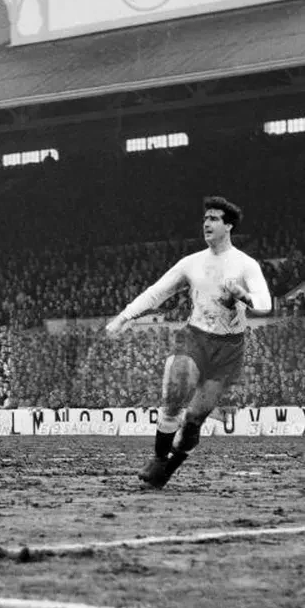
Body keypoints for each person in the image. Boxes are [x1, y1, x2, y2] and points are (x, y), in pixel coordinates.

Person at [105, 196, 271, 489]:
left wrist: (242, 296)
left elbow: (265, 304)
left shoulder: (246, 265)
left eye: (214, 218)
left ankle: (168, 468)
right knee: (174, 394)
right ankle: (158, 458)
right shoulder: (191, 263)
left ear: (228, 226)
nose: (206, 223)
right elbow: (156, 292)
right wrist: (124, 317)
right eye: (205, 218)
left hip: (229, 349)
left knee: (193, 421)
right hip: (195, 338)